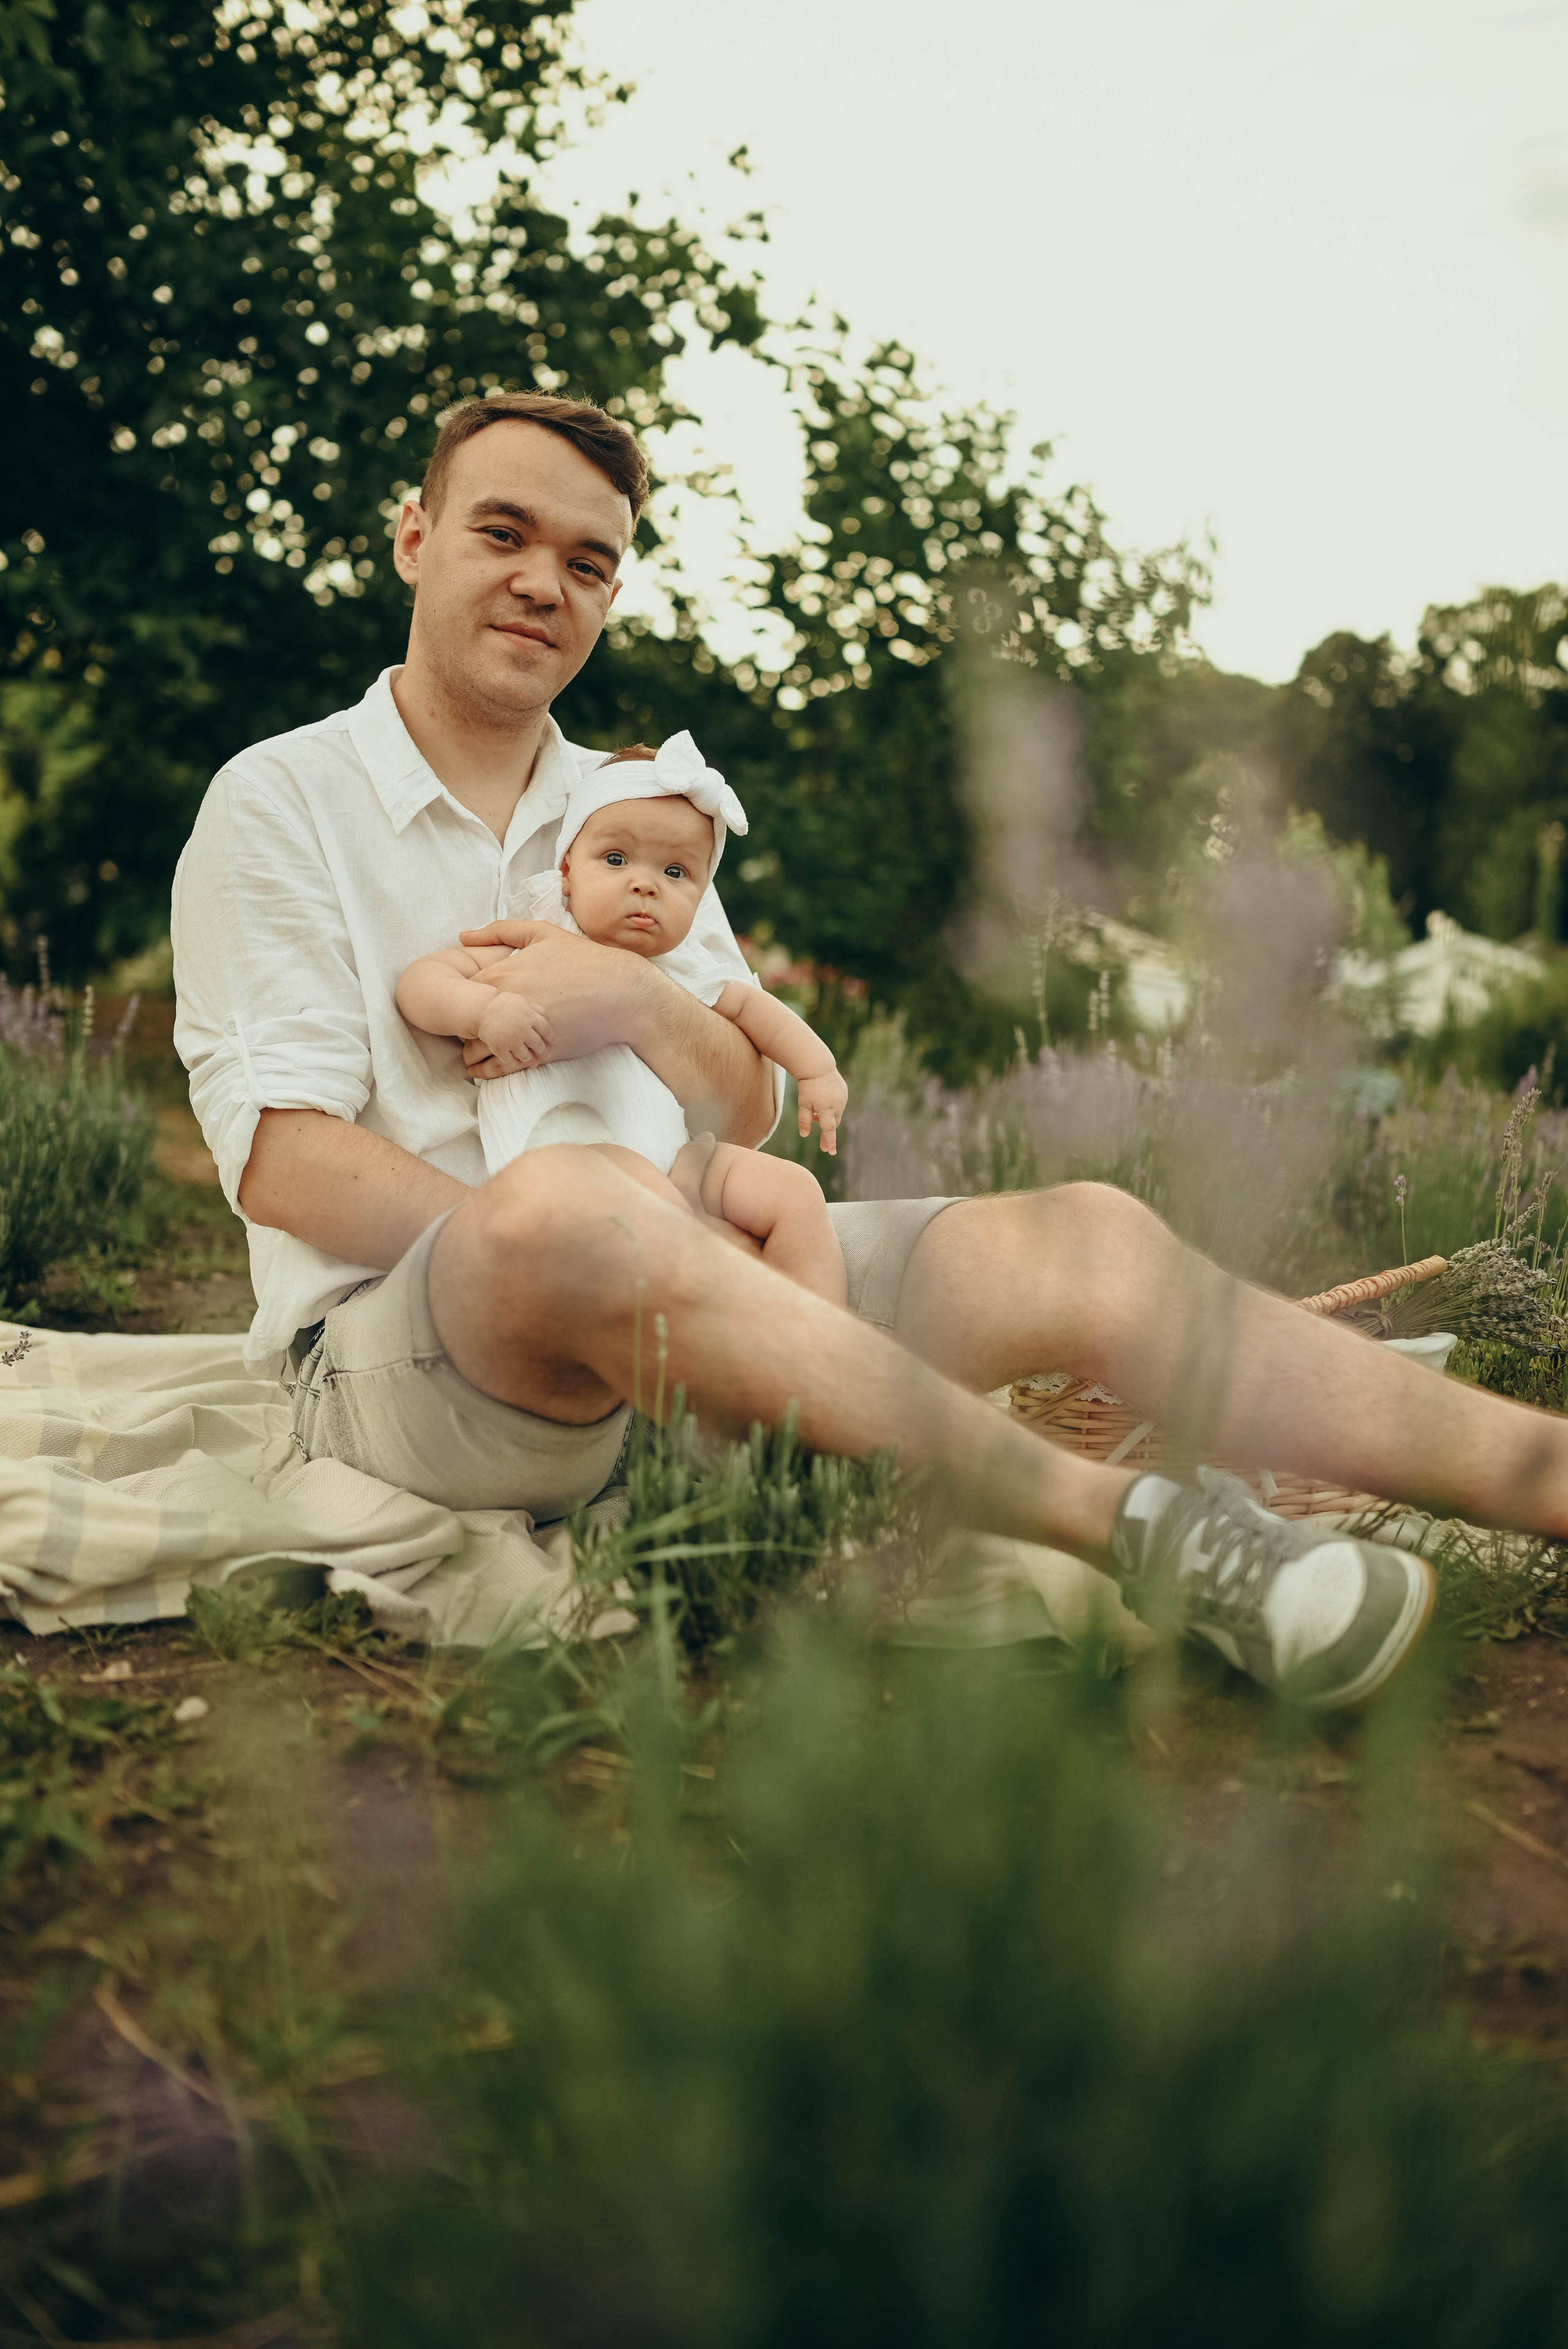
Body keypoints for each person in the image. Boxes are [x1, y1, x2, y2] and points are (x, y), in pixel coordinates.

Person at [172, 390, 1568, 1718]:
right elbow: (286, 1160)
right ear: (414, 535)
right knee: (565, 1203)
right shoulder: (283, 797)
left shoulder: (632, 808)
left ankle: (1541, 1468)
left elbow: (745, 1111)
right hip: (412, 1362)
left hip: (696, 1303)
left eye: (587, 560)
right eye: (502, 533)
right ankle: (1157, 1533)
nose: (545, 580)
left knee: (1083, 1234)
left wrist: (645, 1009)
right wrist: (619, 1237)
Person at [394, 733, 850, 1303]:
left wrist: (818, 1070)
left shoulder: (682, 970)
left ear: (702, 896)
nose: (644, 883)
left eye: (677, 873)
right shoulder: (538, 944)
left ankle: (821, 1355)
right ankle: (712, 1315)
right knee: (632, 1192)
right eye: (615, 859)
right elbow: (421, 983)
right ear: (567, 871)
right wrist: (484, 1009)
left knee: (794, 1189)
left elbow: (759, 1012)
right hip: (566, 1166)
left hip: (676, 1165)